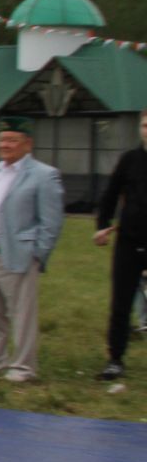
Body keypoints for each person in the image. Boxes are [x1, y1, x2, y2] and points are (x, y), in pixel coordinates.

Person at [0, 118, 64, 383]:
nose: (5, 145)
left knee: (21, 314)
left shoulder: (43, 175)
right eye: (2, 140)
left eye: (12, 140)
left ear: (27, 144)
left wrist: (37, 253)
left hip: (18, 256)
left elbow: (51, 221)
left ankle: (23, 367)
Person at [95, 110, 147, 380]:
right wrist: (102, 225)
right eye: (145, 125)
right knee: (121, 302)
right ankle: (115, 359)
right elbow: (111, 194)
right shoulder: (130, 160)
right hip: (128, 241)